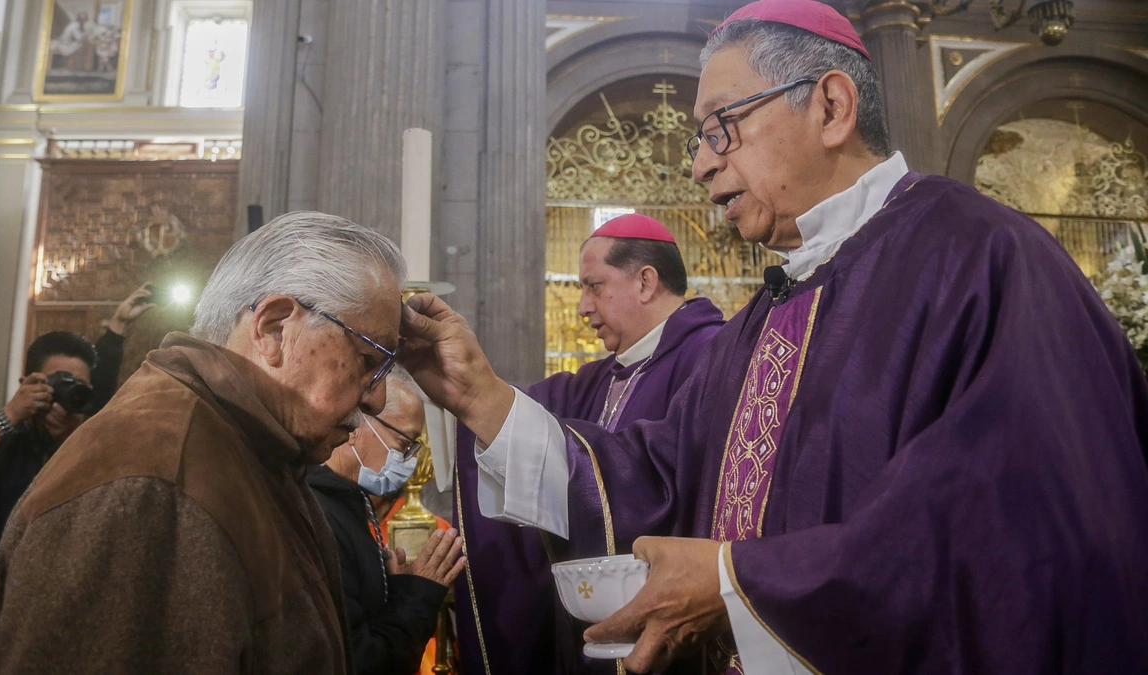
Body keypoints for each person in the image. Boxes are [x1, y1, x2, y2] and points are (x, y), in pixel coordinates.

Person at [399, 1, 1148, 672]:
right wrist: (483, 397)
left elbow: (1014, 526)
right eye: (698, 138)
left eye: (721, 126)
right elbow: (659, 478)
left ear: (830, 106)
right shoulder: (766, 315)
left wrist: (736, 583)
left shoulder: (980, 257)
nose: (699, 164)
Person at [0, 211, 408, 673]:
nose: (377, 397)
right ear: (275, 328)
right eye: (368, 359)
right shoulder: (152, 486)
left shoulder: (250, 449)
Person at [454, 214, 725, 674]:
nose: (582, 306)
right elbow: (513, 412)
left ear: (645, 282)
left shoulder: (713, 358)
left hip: (672, 631)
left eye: (594, 286)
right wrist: (454, 384)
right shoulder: (601, 378)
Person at [0, 285, 153, 675]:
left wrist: (73, 441)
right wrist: (8, 416)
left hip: (65, 629)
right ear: (29, 380)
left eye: (77, 386)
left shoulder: (92, 445)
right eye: (58, 381)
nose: (65, 393)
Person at [307, 367, 464, 675]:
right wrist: (417, 596)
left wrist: (393, 590)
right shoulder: (321, 515)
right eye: (404, 443)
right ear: (357, 425)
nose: (409, 460)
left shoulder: (349, 503)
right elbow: (361, 662)